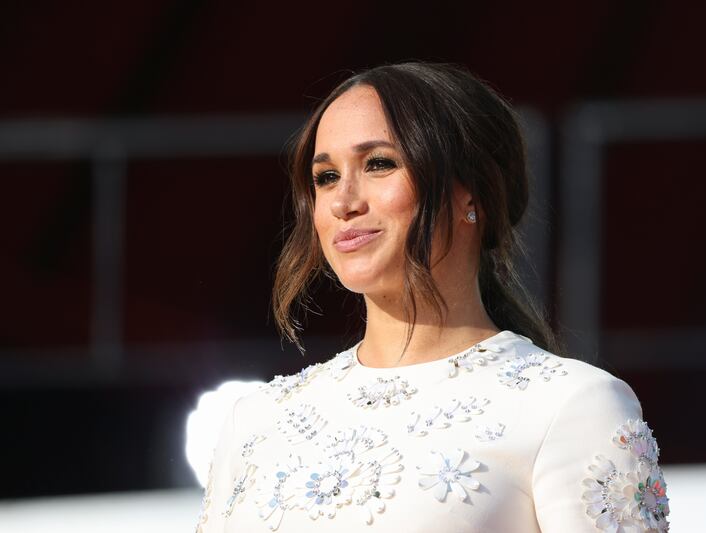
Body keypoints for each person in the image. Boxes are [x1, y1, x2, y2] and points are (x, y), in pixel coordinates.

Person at [195, 63, 670, 532]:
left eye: (378, 164)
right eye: (326, 177)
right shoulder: (256, 420)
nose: (344, 203)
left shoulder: (570, 407)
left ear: (473, 194)